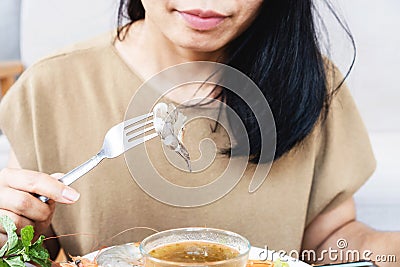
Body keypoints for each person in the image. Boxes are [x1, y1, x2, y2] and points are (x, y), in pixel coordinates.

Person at [0, 0, 398, 265]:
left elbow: (331, 241)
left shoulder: (310, 81)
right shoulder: (51, 85)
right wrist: (18, 234)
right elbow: (40, 246)